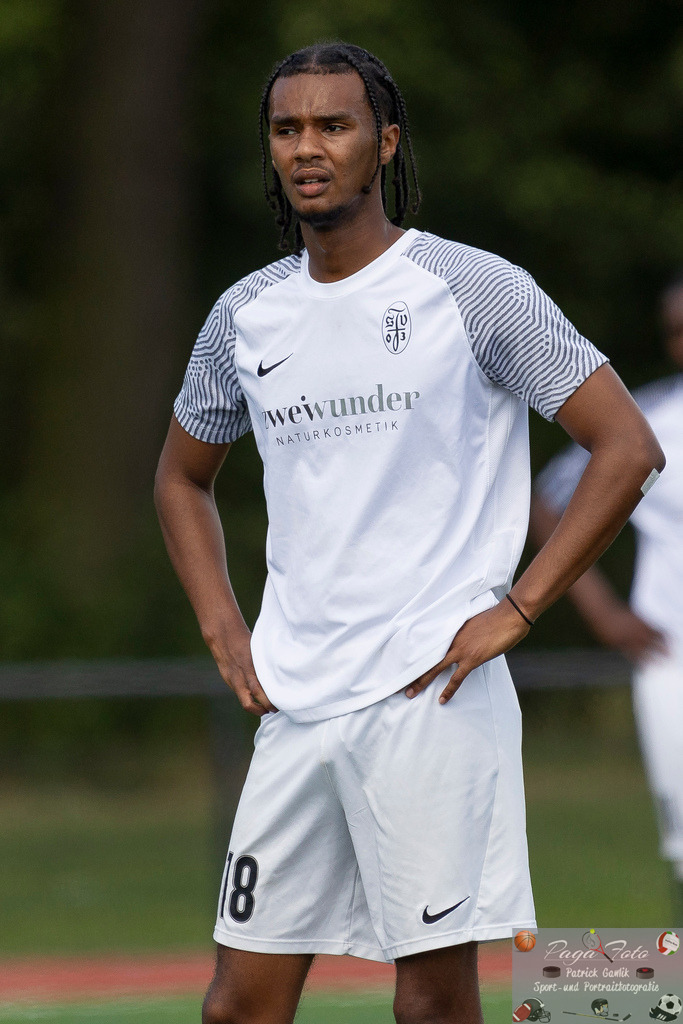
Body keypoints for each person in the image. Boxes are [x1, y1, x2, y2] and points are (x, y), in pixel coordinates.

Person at [154, 42, 665, 1024]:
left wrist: (518, 607)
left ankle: (641, 989)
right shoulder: (244, 318)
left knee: (431, 1001)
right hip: (297, 703)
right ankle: (633, 988)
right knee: (236, 1003)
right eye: (286, 128)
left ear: (382, 143)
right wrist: (223, 625)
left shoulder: (472, 290)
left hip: (434, 696)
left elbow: (623, 448)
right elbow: (181, 477)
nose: (308, 147)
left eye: (332, 126)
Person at [531, 272, 683, 919]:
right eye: (677, 331)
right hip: (669, 657)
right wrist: (598, 607)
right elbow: (545, 499)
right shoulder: (646, 418)